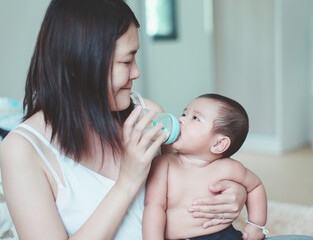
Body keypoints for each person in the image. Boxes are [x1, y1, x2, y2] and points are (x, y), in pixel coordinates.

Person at [0, 0, 247, 239]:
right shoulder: (22, 150)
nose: (136, 72)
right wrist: (128, 180)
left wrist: (233, 192)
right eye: (126, 61)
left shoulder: (148, 114)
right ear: (77, 64)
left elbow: (192, 174)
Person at [143, 93, 268, 240]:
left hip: (222, 236)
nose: (181, 119)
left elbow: (255, 186)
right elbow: (153, 207)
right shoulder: (164, 165)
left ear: (218, 144)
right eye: (184, 113)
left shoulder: (228, 168)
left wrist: (256, 225)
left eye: (195, 118)